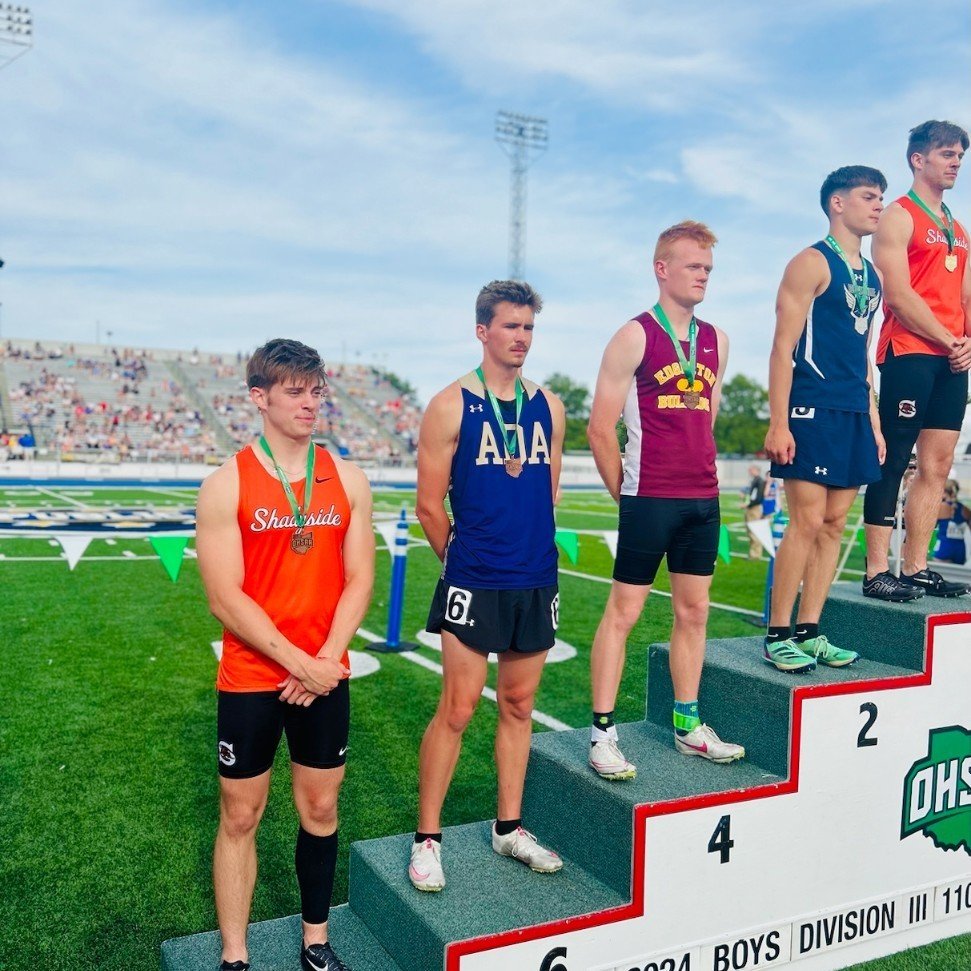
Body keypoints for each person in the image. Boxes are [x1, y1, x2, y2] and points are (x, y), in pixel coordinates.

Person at [196, 339, 374, 971]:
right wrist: (302, 664)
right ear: (259, 397)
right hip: (252, 676)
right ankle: (236, 954)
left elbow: (360, 579)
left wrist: (324, 660)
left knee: (321, 808)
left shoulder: (348, 478)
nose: (308, 403)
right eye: (293, 391)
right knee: (240, 814)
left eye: (316, 390)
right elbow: (225, 598)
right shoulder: (225, 484)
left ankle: (315, 939)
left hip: (326, 673)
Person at [409, 280, 566, 892]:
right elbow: (428, 505)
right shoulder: (450, 405)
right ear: (483, 331)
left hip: (535, 578)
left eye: (528, 327)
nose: (521, 338)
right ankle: (427, 839)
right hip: (474, 579)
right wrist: (468, 560)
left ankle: (509, 827)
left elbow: (545, 489)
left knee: (519, 706)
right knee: (458, 708)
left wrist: (523, 553)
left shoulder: (548, 404)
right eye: (510, 327)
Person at [585, 220, 744, 781]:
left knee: (694, 612)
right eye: (693, 266)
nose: (703, 275)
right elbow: (600, 428)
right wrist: (625, 496)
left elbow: (709, 415)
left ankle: (688, 725)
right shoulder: (634, 335)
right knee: (623, 613)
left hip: (703, 498)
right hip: (648, 497)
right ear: (662, 269)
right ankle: (603, 733)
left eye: (708, 268)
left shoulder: (717, 339)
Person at [763, 167, 891, 671]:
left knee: (836, 523)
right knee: (807, 519)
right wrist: (779, 421)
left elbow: (863, 354)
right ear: (838, 203)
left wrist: (875, 419)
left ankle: (811, 630)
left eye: (881, 197)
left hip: (855, 407)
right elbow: (781, 347)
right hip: (811, 405)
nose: (878, 205)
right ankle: (778, 633)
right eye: (868, 196)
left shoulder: (872, 275)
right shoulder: (810, 262)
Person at [862, 120, 971, 600]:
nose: (956, 164)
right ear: (918, 159)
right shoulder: (898, 216)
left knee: (939, 462)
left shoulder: (959, 227)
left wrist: (968, 341)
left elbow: (966, 294)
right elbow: (899, 295)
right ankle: (875, 571)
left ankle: (915, 566)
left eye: (960, 157)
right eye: (947, 154)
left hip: (952, 355)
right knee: (895, 458)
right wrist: (950, 338)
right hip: (909, 350)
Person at [933, 479, 971, 565]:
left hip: (944, 546)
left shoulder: (940, 507)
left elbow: (930, 527)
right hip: (960, 549)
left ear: (943, 491)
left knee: (941, 574)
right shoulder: (965, 510)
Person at [742, 465, 766, 558]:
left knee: (754, 531)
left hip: (754, 508)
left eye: (751, 469)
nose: (749, 471)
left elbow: (759, 497)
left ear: (756, 470)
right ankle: (752, 554)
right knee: (750, 531)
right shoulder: (755, 480)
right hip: (751, 507)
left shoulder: (759, 481)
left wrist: (748, 504)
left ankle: (755, 554)